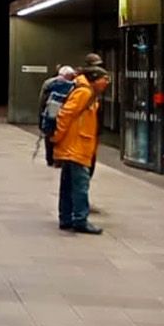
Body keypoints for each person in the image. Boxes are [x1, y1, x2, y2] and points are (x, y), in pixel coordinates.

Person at [53, 67, 108, 235]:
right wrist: (56, 137)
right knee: (80, 185)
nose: (106, 83)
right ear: (94, 79)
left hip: (73, 144)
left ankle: (66, 218)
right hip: (76, 146)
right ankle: (80, 219)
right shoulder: (84, 92)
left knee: (68, 184)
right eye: (104, 79)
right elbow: (65, 114)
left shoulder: (84, 90)